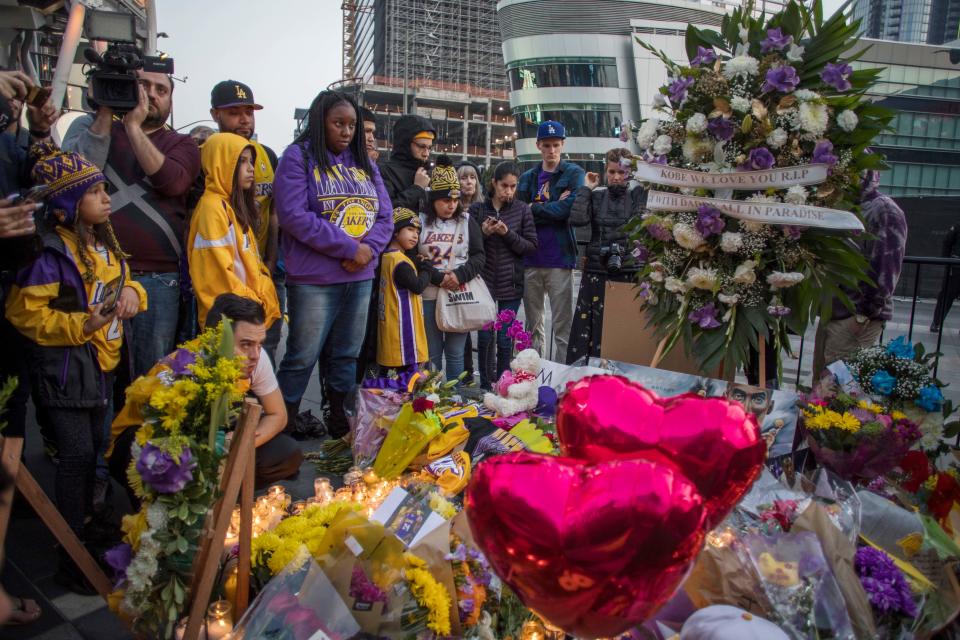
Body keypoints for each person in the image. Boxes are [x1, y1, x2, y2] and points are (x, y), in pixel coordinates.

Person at [5, 145, 147, 593]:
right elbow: (23, 312)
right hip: (66, 371)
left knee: (96, 451)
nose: (107, 198)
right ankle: (70, 552)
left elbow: (129, 283)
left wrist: (132, 297)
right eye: (95, 191)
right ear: (67, 204)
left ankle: (88, 524)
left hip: (102, 368)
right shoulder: (50, 253)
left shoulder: (104, 242)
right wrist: (82, 323)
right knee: (76, 457)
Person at [62, 70, 201, 379]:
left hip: (157, 277)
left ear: (170, 100)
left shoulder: (181, 143)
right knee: (92, 371)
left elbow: (172, 182)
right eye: (143, 86)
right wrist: (107, 112)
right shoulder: (93, 127)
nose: (151, 94)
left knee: (151, 374)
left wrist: (133, 127)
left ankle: (139, 430)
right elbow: (73, 177)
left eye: (161, 90)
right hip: (93, 271)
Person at [274, 90, 392, 439]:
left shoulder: (366, 164)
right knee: (301, 356)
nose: (346, 131)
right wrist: (348, 248)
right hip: (314, 278)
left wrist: (368, 250)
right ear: (319, 121)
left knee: (346, 355)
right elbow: (294, 215)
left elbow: (385, 214)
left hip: (360, 275)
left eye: (352, 125)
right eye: (338, 123)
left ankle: (340, 421)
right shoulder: (298, 157)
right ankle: (282, 424)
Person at [109, 294, 301, 495]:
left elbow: (278, 415)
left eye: (259, 344)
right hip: (152, 443)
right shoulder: (178, 371)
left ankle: (223, 495)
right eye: (245, 344)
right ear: (215, 339)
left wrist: (235, 442)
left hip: (212, 438)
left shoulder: (255, 357)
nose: (255, 355)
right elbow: (167, 442)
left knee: (286, 453)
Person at [812, 169, 908, 376]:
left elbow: (886, 267)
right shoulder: (846, 206)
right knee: (822, 389)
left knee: (838, 390)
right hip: (836, 313)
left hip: (855, 317)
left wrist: (864, 315)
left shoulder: (883, 210)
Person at [187, 132, 279, 333]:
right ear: (221, 163)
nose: (251, 169)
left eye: (251, 161)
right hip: (229, 323)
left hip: (244, 318)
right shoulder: (212, 210)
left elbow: (252, 268)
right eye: (242, 161)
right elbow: (218, 280)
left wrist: (262, 298)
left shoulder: (230, 206)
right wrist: (255, 305)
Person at [566, 147, 645, 364]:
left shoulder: (638, 195)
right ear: (605, 171)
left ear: (629, 173)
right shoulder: (596, 195)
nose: (617, 177)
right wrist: (586, 189)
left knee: (624, 331)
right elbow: (577, 220)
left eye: (622, 172)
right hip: (596, 272)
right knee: (589, 329)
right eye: (612, 172)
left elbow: (643, 223)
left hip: (628, 272)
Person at [516, 120, 584, 362]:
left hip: (560, 259)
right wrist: (550, 207)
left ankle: (561, 379)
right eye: (547, 145)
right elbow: (520, 212)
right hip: (531, 258)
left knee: (563, 328)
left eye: (556, 145)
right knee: (533, 327)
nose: (552, 150)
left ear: (563, 144)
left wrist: (537, 208)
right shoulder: (527, 177)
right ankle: (534, 377)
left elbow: (567, 210)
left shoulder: (574, 174)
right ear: (538, 146)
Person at [418, 156, 486, 381]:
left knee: (456, 354)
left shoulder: (467, 221)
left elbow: (478, 256)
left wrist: (458, 275)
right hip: (428, 294)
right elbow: (411, 255)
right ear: (433, 199)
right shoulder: (420, 221)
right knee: (432, 354)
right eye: (446, 200)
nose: (451, 205)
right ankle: (432, 401)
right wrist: (437, 277)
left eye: (455, 200)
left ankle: (455, 402)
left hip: (459, 293)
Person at [472, 162, 537, 388]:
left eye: (513, 186)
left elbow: (530, 247)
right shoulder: (478, 209)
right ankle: (483, 385)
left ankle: (503, 382)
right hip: (484, 283)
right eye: (504, 186)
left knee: (505, 339)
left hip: (511, 283)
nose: (509, 191)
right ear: (494, 183)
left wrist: (507, 233)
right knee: (484, 337)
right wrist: (483, 233)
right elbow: (468, 245)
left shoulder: (522, 209)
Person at [377, 208, 434, 372]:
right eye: (410, 230)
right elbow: (417, 286)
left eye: (417, 232)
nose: (415, 236)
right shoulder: (400, 261)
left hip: (389, 331)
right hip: (403, 332)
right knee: (406, 382)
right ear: (395, 232)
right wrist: (427, 269)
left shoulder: (387, 256)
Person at [379, 114, 435, 212]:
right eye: (421, 146)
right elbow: (386, 210)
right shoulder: (384, 171)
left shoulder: (430, 173)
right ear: (405, 144)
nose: (426, 153)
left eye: (429, 148)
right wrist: (417, 188)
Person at [931, 222, 960, 332]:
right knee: (946, 296)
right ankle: (936, 322)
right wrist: (947, 262)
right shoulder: (957, 227)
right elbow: (947, 242)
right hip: (955, 267)